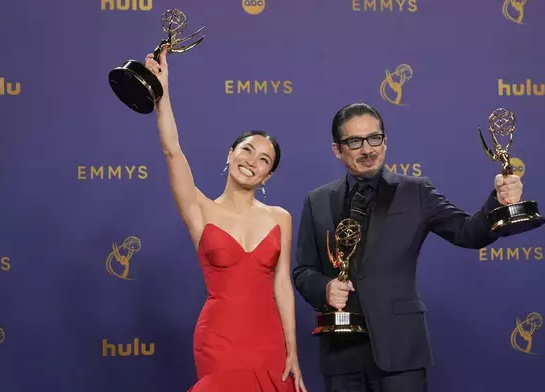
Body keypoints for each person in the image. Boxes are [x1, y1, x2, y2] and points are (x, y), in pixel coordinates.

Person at [292, 102, 523, 392]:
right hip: (341, 357)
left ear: (385, 142)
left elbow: (467, 232)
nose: (368, 149)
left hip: (401, 352)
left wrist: (498, 204)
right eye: (355, 141)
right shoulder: (317, 201)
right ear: (337, 150)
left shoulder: (416, 191)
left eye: (375, 138)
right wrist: (324, 288)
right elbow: (303, 271)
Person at [145, 47, 307, 392]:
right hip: (219, 338)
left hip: (269, 341)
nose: (252, 161)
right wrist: (162, 93)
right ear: (230, 154)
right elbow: (172, 150)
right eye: (246, 149)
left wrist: (293, 350)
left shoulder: (280, 218)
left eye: (264, 160)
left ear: (267, 176)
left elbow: (282, 285)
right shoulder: (200, 209)